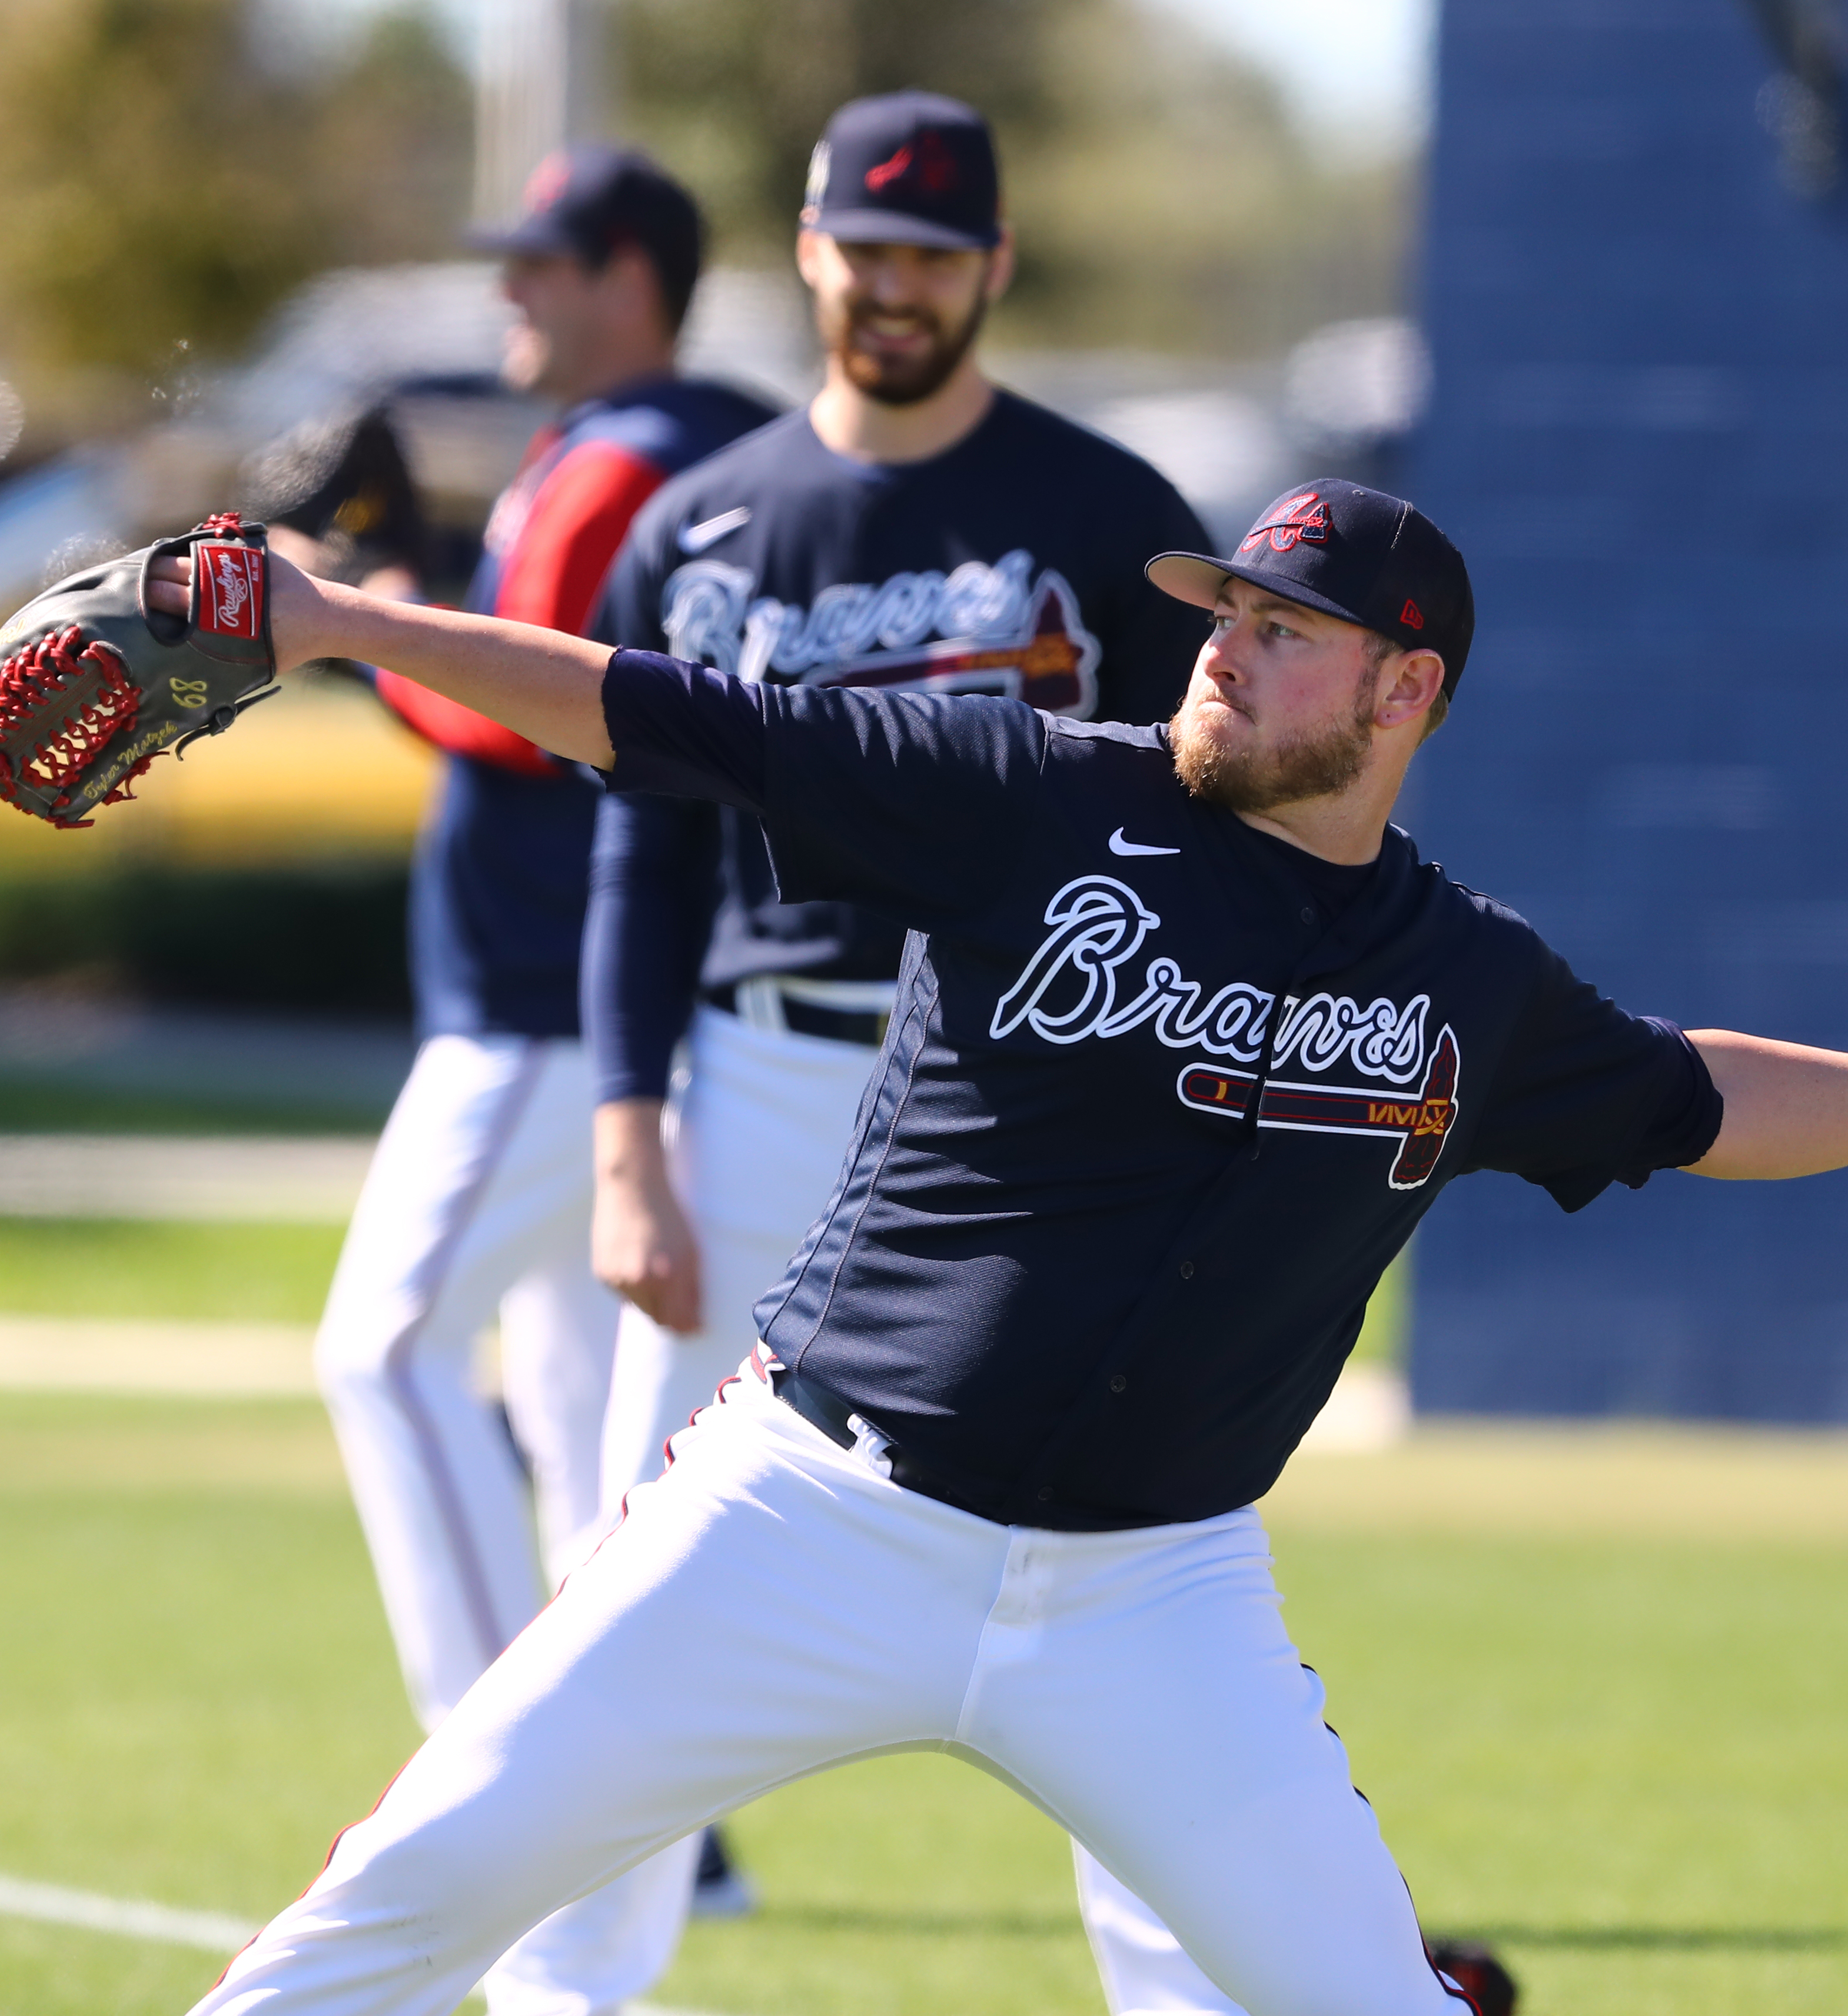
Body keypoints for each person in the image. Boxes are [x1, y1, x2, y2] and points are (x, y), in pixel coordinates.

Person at [158, 475, 1848, 2016]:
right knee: (390, 1916)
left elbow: (1703, 1097)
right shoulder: (1023, 797)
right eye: (1226, 608)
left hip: (1155, 1603)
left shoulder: (1466, 982)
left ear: (1407, 688)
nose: (1226, 644)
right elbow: (662, 710)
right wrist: (336, 616)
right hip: (802, 1524)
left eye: (1287, 626)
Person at [576, 89, 1235, 2007]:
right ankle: (565, 1990)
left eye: (934, 257)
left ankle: (1190, 1986)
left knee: (1135, 1557)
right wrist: (627, 1140)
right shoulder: (702, 529)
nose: (895, 286)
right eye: (866, 249)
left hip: (1036, 1104)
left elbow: (1222, 829)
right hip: (760, 1068)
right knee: (633, 1575)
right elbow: (640, 843)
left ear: (994, 271)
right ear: (806, 249)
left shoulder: (1112, 523)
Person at [303, 144, 772, 2016]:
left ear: (634, 274)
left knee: (387, 1347)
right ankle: (646, 1828)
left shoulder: (618, 458)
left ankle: (495, 1794)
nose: (511, 292)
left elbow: (524, 700)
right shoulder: (720, 439)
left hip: (543, 999)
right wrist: (407, 582)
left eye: (543, 263)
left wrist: (347, 612)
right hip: (653, 997)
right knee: (595, 1470)